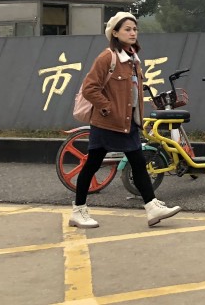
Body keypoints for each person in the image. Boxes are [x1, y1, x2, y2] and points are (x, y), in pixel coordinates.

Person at [70, 12, 182, 229]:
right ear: (115, 33)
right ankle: (78, 210)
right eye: (127, 29)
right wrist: (108, 108)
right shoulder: (107, 58)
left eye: (135, 29)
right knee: (93, 164)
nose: (133, 33)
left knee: (138, 162)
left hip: (127, 122)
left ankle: (152, 207)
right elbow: (89, 88)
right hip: (106, 122)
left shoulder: (133, 60)